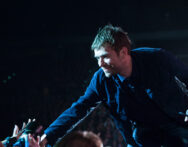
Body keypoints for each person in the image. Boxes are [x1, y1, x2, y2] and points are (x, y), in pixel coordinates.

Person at [40, 24, 188, 147]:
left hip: (175, 122)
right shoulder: (101, 80)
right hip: (143, 135)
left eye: (105, 56)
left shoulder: (157, 58)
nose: (100, 63)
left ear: (123, 52)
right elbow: (78, 109)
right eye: (98, 58)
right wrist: (47, 137)